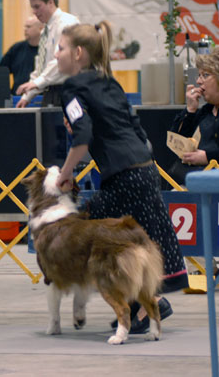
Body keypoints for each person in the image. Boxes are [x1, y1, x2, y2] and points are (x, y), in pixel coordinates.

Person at [54, 21, 189, 334]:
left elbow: (83, 136)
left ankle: (144, 305)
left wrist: (66, 173)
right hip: (145, 169)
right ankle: (147, 303)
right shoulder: (109, 81)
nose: (56, 54)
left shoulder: (71, 88)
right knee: (139, 240)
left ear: (78, 53)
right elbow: (135, 128)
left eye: (60, 48)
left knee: (91, 235)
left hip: (123, 176)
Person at [16, 0, 79, 108]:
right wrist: (27, 96)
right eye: (32, 8)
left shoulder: (67, 23)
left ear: (50, 2)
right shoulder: (46, 30)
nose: (34, 12)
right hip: (51, 92)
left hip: (68, 91)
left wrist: (37, 83)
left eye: (37, 6)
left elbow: (62, 62)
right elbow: (42, 67)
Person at [168, 47, 219, 184]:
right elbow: (176, 142)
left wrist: (208, 157)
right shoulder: (206, 111)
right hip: (197, 182)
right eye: (199, 75)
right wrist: (190, 110)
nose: (199, 81)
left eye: (205, 75)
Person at [0, 15, 43, 95]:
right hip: (17, 96)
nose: (25, 29)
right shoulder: (16, 48)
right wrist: (6, 93)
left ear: (40, 29)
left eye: (28, 27)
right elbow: (1, 72)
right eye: (25, 26)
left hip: (39, 97)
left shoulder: (46, 49)